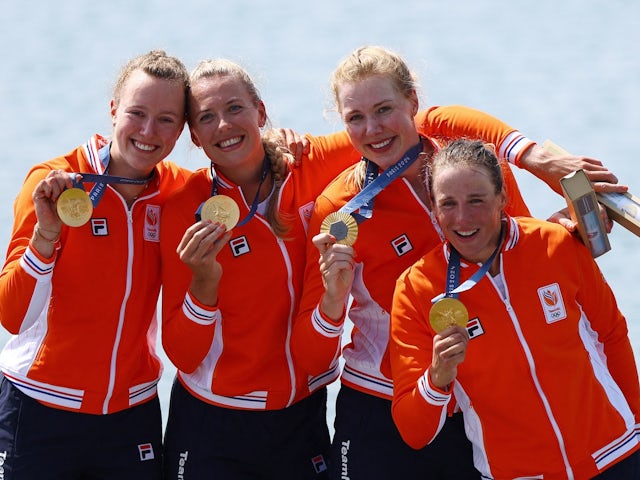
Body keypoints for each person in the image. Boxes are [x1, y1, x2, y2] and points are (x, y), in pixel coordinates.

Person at [290, 45, 625, 479]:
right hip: (383, 399)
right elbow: (311, 358)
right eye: (355, 118)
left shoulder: (471, 167)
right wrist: (333, 300)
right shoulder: (339, 210)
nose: (372, 129)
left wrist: (564, 232)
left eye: (385, 109)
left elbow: (519, 253)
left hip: (483, 402)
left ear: (413, 102)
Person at [390, 138, 640, 479]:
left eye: (476, 200)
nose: (462, 218)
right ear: (434, 207)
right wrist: (437, 379)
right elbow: (413, 433)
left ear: (502, 198)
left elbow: (612, 336)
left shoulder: (556, 244)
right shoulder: (416, 289)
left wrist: (637, 424)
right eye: (448, 204)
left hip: (615, 456)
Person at [0, 50, 190, 479]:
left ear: (182, 128)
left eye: (166, 119)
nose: (147, 131)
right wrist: (47, 237)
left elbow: (242, 179)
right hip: (40, 406)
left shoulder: (176, 191)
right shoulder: (53, 182)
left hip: (132, 413)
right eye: (136, 113)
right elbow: (13, 317)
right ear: (113, 110)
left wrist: (279, 146)